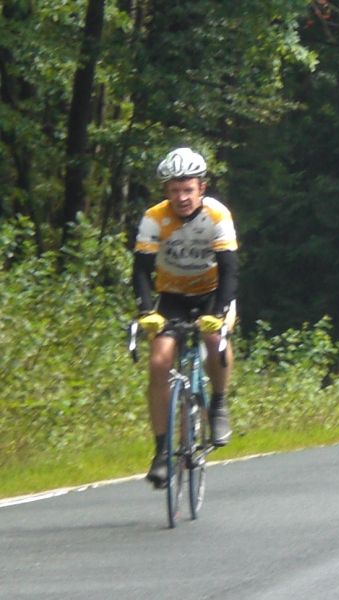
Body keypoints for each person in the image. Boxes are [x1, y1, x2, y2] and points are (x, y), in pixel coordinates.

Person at [133, 147, 238, 488]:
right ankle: (162, 451)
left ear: (201, 188)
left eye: (188, 189)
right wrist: (147, 311)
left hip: (212, 293)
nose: (181, 197)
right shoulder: (154, 218)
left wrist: (220, 314)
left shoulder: (218, 216)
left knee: (213, 339)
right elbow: (140, 271)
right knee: (159, 362)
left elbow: (230, 270)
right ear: (166, 191)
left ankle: (219, 406)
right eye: (175, 190)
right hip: (172, 297)